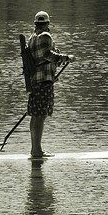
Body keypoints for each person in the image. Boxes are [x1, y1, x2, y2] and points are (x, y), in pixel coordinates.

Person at [27, 10, 75, 158]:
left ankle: (34, 149)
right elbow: (48, 55)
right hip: (44, 81)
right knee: (41, 115)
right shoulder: (45, 36)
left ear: (36, 24)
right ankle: (37, 151)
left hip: (35, 81)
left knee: (35, 115)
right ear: (47, 24)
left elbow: (41, 57)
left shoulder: (32, 38)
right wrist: (67, 57)